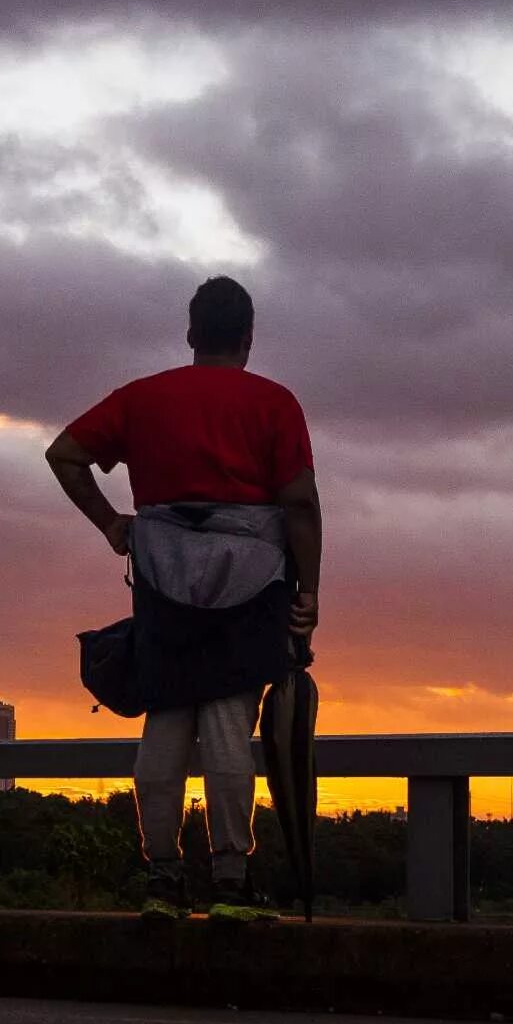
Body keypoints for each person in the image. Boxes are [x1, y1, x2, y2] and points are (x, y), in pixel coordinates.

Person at [47, 277, 321, 922]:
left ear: (192, 334)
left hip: (163, 577)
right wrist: (308, 591)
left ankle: (162, 878)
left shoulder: (144, 397)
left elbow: (65, 455)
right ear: (249, 339)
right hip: (253, 582)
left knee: (165, 722)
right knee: (229, 726)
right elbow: (301, 503)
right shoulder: (275, 403)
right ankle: (230, 880)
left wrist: (113, 524)